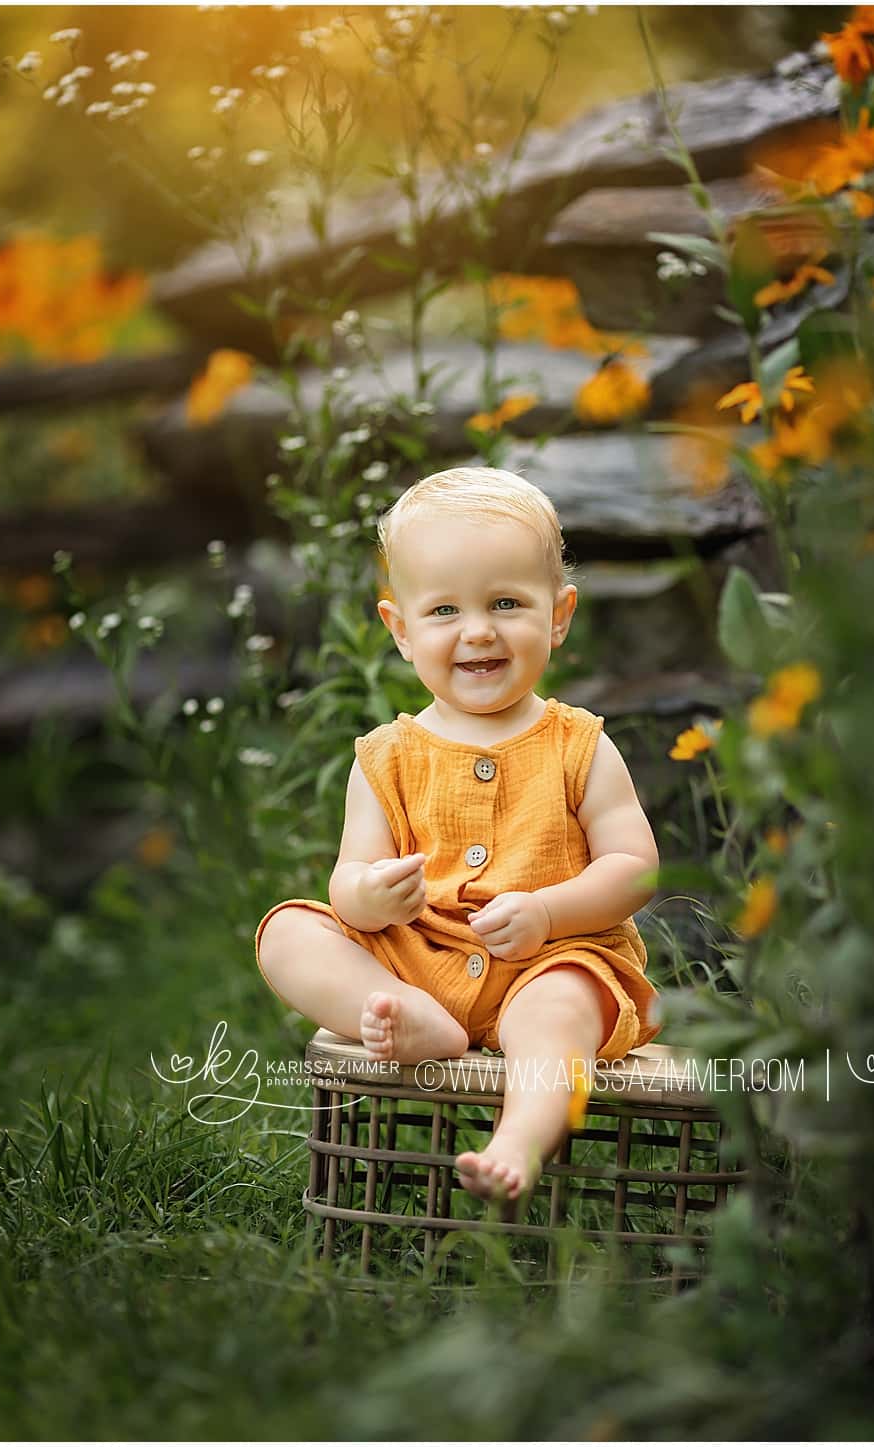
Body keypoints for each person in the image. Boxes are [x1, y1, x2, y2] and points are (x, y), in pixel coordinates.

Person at [256, 466, 662, 1203]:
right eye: (444, 609)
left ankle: (519, 1141)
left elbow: (634, 868)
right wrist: (370, 897)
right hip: (421, 957)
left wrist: (548, 914)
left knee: (560, 1010)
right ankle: (404, 1016)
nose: (478, 630)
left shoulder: (579, 744)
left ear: (559, 615)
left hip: (548, 959)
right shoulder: (386, 757)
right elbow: (347, 881)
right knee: (287, 931)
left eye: (507, 602)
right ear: (401, 630)